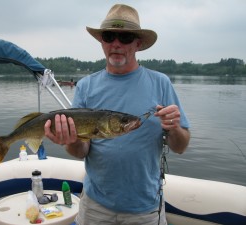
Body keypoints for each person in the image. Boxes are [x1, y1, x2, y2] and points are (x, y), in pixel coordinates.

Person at [45, 4, 190, 225]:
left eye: (125, 37)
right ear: (101, 41)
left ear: (138, 43)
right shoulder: (85, 86)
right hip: (95, 206)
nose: (116, 44)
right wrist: (71, 141)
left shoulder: (161, 83)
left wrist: (174, 128)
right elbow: (82, 150)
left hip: (145, 209)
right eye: (109, 36)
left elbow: (180, 146)